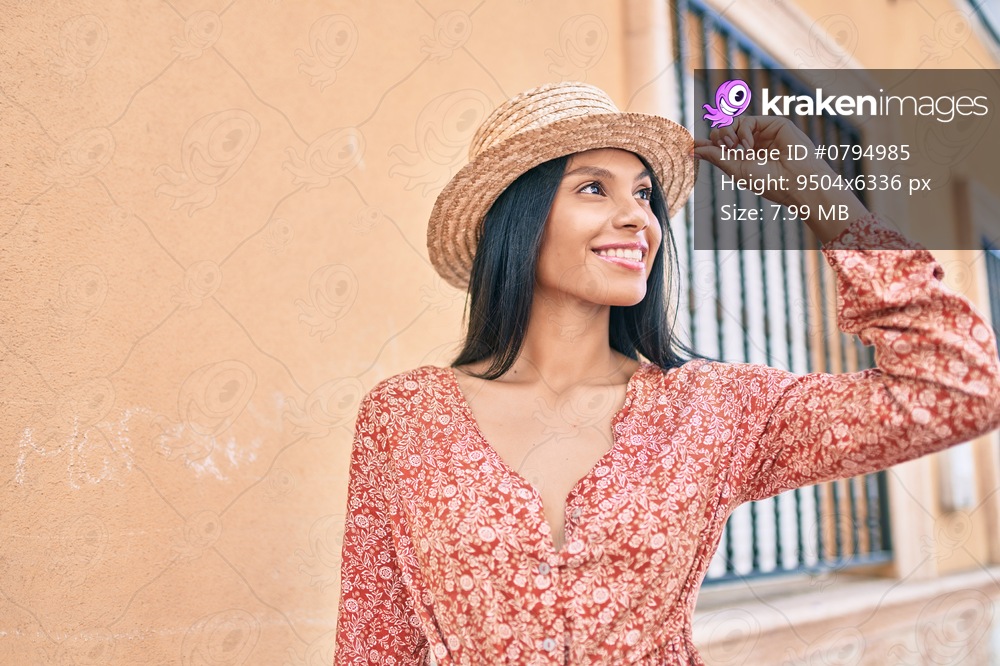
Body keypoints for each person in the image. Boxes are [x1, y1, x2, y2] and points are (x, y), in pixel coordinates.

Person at [333, 82, 1000, 665]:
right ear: (517, 219)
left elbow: (960, 386)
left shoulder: (713, 409)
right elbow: (374, 643)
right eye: (593, 187)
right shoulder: (405, 416)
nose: (639, 219)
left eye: (645, 195)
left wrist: (824, 198)